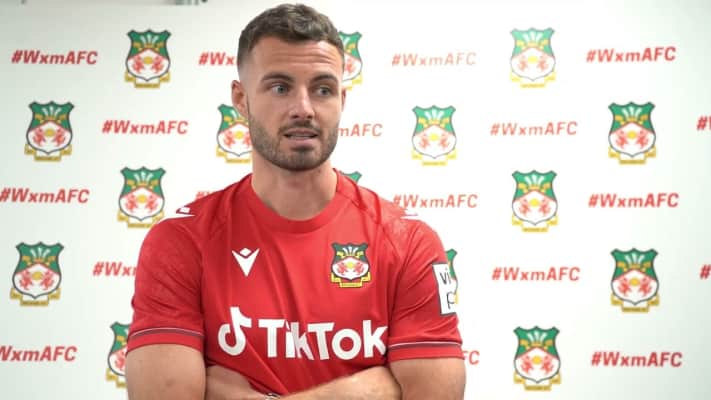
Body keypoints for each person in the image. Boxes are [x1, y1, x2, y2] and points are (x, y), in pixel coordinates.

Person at [125, 3, 466, 399]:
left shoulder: (409, 242)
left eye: (322, 89)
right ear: (240, 99)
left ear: (342, 99)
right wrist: (364, 390)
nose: (303, 109)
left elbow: (437, 394)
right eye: (280, 88)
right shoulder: (180, 242)